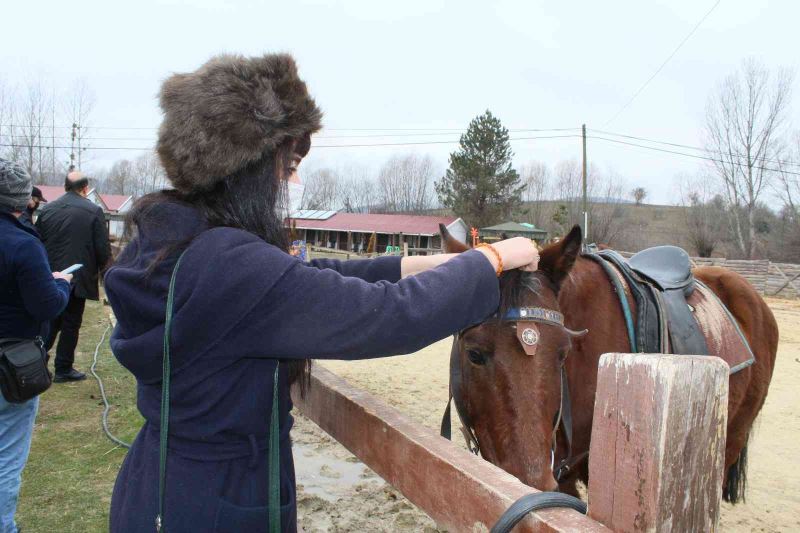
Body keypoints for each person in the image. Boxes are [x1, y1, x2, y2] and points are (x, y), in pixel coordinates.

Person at [104, 53, 539, 533]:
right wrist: (490, 261)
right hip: (218, 502)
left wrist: (420, 263)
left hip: (163, 483)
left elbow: (301, 280)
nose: (290, 182)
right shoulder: (229, 265)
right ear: (245, 165)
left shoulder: (179, 242)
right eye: (286, 164)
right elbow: (386, 317)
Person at [0, 158, 72, 533]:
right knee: (6, 456)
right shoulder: (21, 244)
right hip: (9, 366)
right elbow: (47, 304)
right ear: (21, 200)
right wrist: (59, 282)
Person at [35, 172, 111, 382]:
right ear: (85, 188)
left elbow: (37, 240)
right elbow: (102, 248)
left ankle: (36, 362)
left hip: (49, 274)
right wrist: (108, 275)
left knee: (51, 321)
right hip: (77, 276)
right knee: (70, 323)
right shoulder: (93, 211)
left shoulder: (47, 210)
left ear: (65, 187)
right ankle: (63, 368)